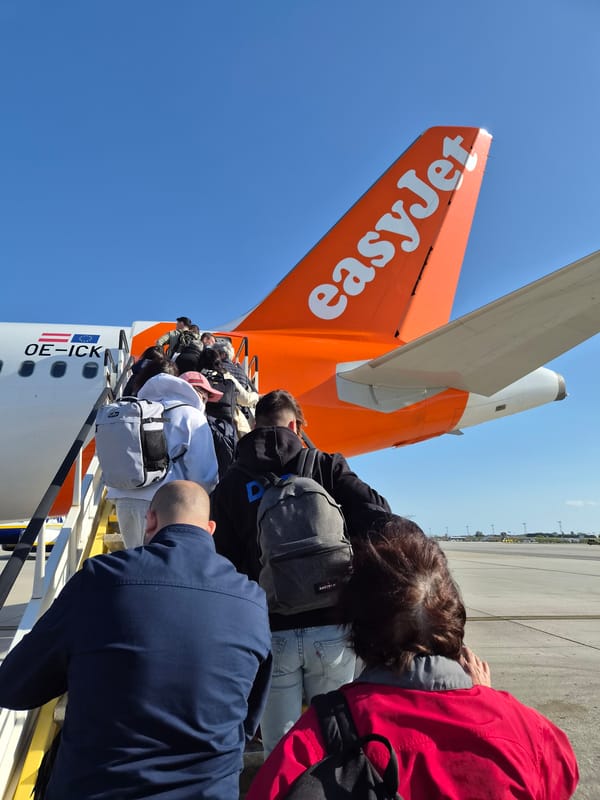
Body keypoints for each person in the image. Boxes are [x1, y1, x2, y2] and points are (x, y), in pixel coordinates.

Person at [246, 516, 579, 800]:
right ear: (455, 621)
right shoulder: (531, 733)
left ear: (355, 629)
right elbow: (561, 777)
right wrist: (488, 703)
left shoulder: (314, 739)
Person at [0, 481, 272, 800]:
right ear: (210, 529)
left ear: (150, 519)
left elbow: (13, 686)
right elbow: (248, 719)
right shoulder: (253, 601)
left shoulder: (100, 580)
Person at [211, 389, 391, 756]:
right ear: (295, 426)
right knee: (337, 743)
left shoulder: (232, 482)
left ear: (255, 426)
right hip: (332, 625)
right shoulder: (326, 466)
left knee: (280, 750)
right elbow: (378, 512)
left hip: (270, 630)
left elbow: (222, 560)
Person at [106, 371, 218, 548]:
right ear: (197, 394)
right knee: (165, 560)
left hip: (124, 498)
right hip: (168, 503)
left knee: (136, 558)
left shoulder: (135, 411)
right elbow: (204, 474)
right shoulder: (191, 416)